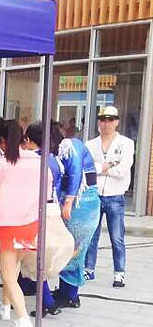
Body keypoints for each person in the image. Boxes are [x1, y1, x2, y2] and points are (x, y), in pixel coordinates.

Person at [0, 119, 43, 327]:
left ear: (2, 141)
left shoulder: (0, 164)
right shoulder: (37, 161)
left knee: (8, 275)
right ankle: (5, 307)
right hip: (31, 222)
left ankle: (23, 319)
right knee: (14, 267)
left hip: (8, 225)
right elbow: (47, 192)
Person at [19, 123, 74, 317]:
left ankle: (45, 300)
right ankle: (43, 298)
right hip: (53, 209)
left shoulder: (34, 160)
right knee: (39, 256)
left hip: (36, 211)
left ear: (29, 139)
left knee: (32, 256)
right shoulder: (54, 159)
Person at [85, 105, 134, 288]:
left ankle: (119, 273)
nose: (106, 123)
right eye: (103, 120)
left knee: (117, 237)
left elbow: (123, 170)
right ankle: (88, 268)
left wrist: (102, 169)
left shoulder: (126, 143)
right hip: (95, 194)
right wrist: (110, 165)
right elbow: (89, 170)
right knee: (92, 235)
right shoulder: (90, 144)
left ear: (117, 122)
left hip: (115, 195)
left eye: (110, 120)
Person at [53, 128, 101, 308]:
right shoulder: (65, 148)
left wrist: (68, 201)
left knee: (74, 248)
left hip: (81, 202)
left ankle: (70, 295)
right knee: (70, 247)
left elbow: (75, 172)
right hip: (79, 201)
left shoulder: (70, 145)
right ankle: (66, 291)